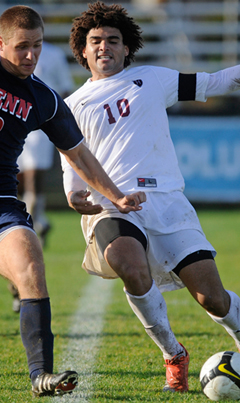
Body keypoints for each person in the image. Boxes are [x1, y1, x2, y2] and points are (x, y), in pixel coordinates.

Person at [61, 1, 240, 393]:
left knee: (211, 298)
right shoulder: (72, 105)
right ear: (83, 49)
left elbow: (220, 82)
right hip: (112, 206)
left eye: (112, 40)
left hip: (166, 202)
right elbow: (72, 162)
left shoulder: (151, 79)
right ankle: (173, 354)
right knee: (127, 263)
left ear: (127, 48)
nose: (104, 47)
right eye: (95, 41)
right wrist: (74, 195)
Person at [0, 5, 144, 397]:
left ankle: (40, 376)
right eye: (22, 46)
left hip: (2, 203)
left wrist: (116, 196)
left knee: (31, 263)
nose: (31, 55)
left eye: (37, 46)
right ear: (1, 44)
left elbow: (79, 154)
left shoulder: (43, 99)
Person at [7, 42, 75, 315]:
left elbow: (65, 90)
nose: (30, 54)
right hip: (8, 123)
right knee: (14, 187)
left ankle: (34, 225)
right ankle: (37, 224)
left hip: (36, 126)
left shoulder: (54, 55)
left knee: (32, 185)